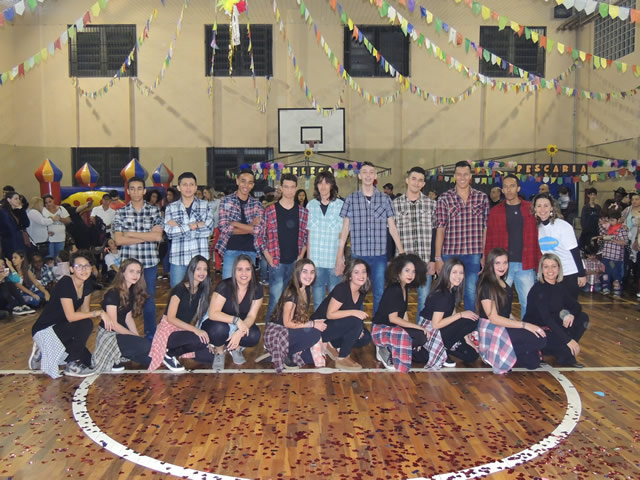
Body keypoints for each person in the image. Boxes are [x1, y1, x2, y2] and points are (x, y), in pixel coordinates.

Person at [336, 162, 404, 314]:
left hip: (379, 256)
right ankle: (357, 324)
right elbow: (345, 229)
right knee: (357, 292)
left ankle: (377, 324)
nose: (368, 175)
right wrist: (340, 255)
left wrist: (402, 252)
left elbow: (392, 227)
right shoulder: (351, 199)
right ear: (359, 176)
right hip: (358, 255)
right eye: (365, 172)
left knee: (379, 293)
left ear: (375, 176)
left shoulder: (385, 199)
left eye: (371, 172)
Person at [29, 251, 106, 378]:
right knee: (86, 323)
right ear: (71, 269)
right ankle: (72, 364)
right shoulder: (66, 282)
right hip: (46, 328)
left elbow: (85, 312)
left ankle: (43, 351)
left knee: (90, 362)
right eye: (79, 266)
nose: (84, 269)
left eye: (87, 266)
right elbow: (71, 316)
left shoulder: (86, 284)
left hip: (63, 326)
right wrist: (98, 313)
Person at [476, 248, 547, 370]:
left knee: (533, 363)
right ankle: (491, 353)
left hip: (503, 326)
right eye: (497, 263)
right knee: (540, 338)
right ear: (490, 264)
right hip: (492, 329)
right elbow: (493, 318)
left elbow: (506, 313)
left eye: (505, 262)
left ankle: (501, 355)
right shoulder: (487, 284)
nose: (502, 266)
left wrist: (520, 326)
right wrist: (525, 325)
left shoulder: (502, 282)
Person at [112, 177, 164, 340]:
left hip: (149, 263)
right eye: (132, 188)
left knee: (148, 300)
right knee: (124, 300)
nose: (136, 192)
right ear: (128, 191)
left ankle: (150, 335)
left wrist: (130, 234)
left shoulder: (154, 211)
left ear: (144, 190)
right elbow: (119, 240)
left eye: (139, 188)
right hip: (128, 266)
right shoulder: (120, 212)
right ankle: (125, 335)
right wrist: (146, 236)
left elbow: (157, 237)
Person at [434, 160, 490, 310]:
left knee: (471, 292)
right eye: (459, 174)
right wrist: (438, 258)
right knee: (448, 292)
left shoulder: (482, 198)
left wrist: (484, 254)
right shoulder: (444, 198)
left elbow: (486, 228)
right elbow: (440, 229)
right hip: (450, 253)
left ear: (470, 176)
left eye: (465, 174)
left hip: (473, 253)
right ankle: (446, 321)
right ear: (454, 176)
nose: (462, 177)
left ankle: (471, 323)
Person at [484, 174, 540, 317]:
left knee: (528, 303)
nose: (509, 190)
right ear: (502, 190)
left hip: (526, 264)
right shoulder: (495, 211)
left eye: (512, 186)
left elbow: (537, 236)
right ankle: (501, 329)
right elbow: (490, 238)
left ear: (518, 188)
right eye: (505, 187)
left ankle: (527, 329)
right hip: (502, 266)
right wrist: (487, 262)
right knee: (499, 302)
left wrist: (539, 261)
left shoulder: (530, 209)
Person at [524, 253, 589, 368]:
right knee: (561, 341)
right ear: (541, 270)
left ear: (559, 269)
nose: (550, 270)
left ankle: (564, 350)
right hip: (538, 332)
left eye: (553, 266)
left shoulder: (560, 287)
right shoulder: (538, 289)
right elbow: (547, 319)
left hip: (553, 328)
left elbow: (576, 307)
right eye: (546, 267)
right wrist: (568, 340)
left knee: (583, 318)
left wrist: (570, 315)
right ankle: (563, 351)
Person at [203, 254, 262, 370]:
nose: (244, 273)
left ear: (252, 271)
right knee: (219, 329)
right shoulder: (224, 286)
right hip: (217, 323)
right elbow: (213, 314)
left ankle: (235, 348)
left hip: (237, 325)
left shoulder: (257, 288)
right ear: (234, 271)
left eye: (248, 269)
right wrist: (236, 320)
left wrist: (240, 332)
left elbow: (251, 316)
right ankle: (219, 351)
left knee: (254, 335)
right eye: (240, 269)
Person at [311, 258, 372, 370]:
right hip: (319, 328)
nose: (361, 275)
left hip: (335, 326)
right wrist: (354, 314)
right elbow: (330, 314)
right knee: (356, 322)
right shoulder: (342, 289)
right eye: (356, 272)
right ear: (350, 275)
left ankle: (332, 344)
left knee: (366, 337)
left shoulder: (361, 290)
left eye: (364, 271)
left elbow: (351, 315)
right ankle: (342, 358)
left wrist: (359, 329)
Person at [371, 254, 429, 372]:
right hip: (382, 329)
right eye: (407, 270)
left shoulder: (404, 287)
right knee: (420, 336)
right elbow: (393, 319)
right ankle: (383, 348)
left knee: (423, 356)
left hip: (394, 328)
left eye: (413, 271)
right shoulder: (395, 289)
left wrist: (412, 332)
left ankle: (394, 348)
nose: (411, 275)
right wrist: (417, 328)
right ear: (398, 271)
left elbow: (403, 313)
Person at [264, 259, 326, 369]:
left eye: (312, 272)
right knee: (315, 333)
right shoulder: (292, 292)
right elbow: (287, 323)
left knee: (309, 358)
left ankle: (285, 352)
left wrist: (315, 323)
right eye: (305, 271)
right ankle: (283, 352)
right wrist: (312, 324)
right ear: (297, 272)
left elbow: (299, 319)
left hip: (289, 331)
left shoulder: (306, 288)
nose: (309, 276)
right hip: (278, 332)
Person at [263, 173, 309, 320]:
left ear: (296, 188)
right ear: (281, 188)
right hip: (276, 262)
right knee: (275, 300)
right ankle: (270, 330)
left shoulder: (303, 212)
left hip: (294, 261)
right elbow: (260, 236)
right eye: (286, 187)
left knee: (292, 300)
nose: (289, 190)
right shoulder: (270, 210)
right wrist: (268, 257)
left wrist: (301, 255)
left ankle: (287, 328)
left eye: (292, 187)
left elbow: (305, 237)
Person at [393, 166, 437, 316]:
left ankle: (420, 329)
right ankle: (402, 329)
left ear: (423, 184)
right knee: (400, 300)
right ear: (407, 180)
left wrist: (433, 260)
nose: (416, 183)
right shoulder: (395, 204)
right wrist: (391, 260)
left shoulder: (432, 205)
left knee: (424, 300)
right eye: (413, 179)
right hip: (402, 262)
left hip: (425, 261)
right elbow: (390, 233)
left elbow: (435, 233)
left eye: (420, 180)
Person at [95, 258, 152, 372]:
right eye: (131, 271)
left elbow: (128, 317)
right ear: (122, 272)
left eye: (138, 272)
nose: (135, 275)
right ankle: (111, 357)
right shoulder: (113, 293)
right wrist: (133, 337)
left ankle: (122, 354)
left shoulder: (131, 290)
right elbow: (113, 324)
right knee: (145, 345)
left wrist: (136, 336)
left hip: (120, 333)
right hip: (109, 335)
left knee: (149, 358)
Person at [420, 257, 479, 365]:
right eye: (454, 272)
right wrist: (461, 315)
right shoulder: (442, 295)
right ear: (447, 273)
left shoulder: (451, 290)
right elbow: (436, 324)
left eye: (461, 273)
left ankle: (442, 349)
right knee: (472, 320)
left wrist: (467, 339)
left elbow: (452, 312)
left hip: (441, 329)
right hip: (430, 331)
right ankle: (438, 349)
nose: (458, 276)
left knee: (472, 355)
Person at [160, 255, 214, 372]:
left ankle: (177, 351)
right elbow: (171, 319)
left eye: (205, 269)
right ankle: (169, 354)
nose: (202, 272)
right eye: (198, 269)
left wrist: (205, 338)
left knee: (209, 357)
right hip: (169, 331)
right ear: (191, 269)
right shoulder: (179, 289)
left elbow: (199, 318)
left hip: (183, 330)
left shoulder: (201, 291)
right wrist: (196, 331)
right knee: (199, 340)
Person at [164, 172, 214, 288]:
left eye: (191, 184)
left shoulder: (205, 205)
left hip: (200, 260)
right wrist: (194, 225)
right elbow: (170, 233)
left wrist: (180, 227)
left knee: (201, 295)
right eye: (184, 184)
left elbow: (208, 230)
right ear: (178, 187)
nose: (188, 188)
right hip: (178, 260)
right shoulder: (171, 208)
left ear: (196, 187)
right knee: (177, 294)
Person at [533, 193, 586, 299]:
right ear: (534, 209)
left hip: (569, 273)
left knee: (569, 307)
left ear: (552, 208)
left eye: (546, 206)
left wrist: (581, 274)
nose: (542, 209)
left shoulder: (563, 226)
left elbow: (575, 252)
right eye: (539, 206)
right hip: (552, 274)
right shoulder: (538, 228)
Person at [216, 169, 266, 280]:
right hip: (231, 248)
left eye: (250, 182)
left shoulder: (257, 204)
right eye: (243, 181)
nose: (246, 185)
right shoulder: (226, 200)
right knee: (228, 285)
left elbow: (259, 230)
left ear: (253, 185)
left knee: (246, 285)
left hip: (250, 250)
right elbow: (223, 227)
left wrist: (235, 224)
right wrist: (250, 227)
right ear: (237, 181)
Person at [306, 171, 344, 311]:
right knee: (318, 302)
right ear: (316, 185)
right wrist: (309, 260)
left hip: (334, 260)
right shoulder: (310, 206)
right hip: (316, 261)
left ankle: (333, 325)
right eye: (320, 183)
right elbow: (308, 235)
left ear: (332, 185)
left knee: (335, 302)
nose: (323, 186)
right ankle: (318, 324)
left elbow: (342, 235)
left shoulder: (340, 205)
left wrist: (340, 259)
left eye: (327, 183)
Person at [598, 209, 628, 296]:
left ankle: (617, 288)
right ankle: (606, 288)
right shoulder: (608, 228)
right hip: (606, 255)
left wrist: (614, 240)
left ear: (618, 220)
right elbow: (601, 235)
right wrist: (602, 225)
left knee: (616, 273)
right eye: (609, 220)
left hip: (615, 257)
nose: (611, 222)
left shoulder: (622, 229)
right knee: (606, 273)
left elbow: (625, 242)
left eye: (613, 220)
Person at [0, 192, 30, 258]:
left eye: (18, 199)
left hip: (19, 240)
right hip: (10, 242)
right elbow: (10, 228)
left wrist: (21, 210)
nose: (18, 201)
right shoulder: (3, 212)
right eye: (16, 199)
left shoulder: (17, 210)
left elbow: (26, 224)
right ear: (9, 200)